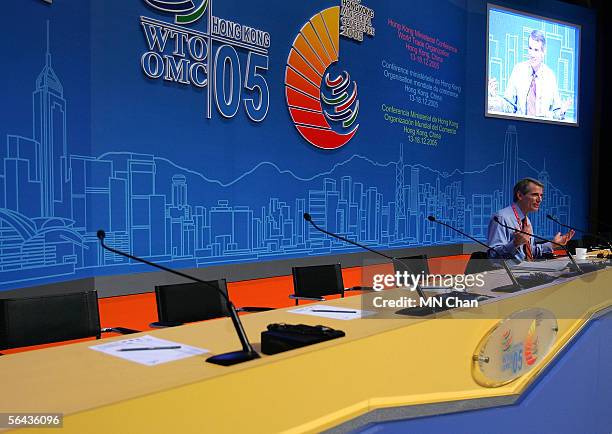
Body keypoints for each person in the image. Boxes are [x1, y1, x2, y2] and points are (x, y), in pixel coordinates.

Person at [488, 30, 573, 120]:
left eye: (536, 50)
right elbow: (509, 106)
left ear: (543, 52)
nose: (532, 54)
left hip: (543, 130)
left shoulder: (550, 77)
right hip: (520, 128)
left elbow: (556, 112)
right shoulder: (518, 70)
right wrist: (494, 98)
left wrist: (562, 111)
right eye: (530, 48)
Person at [487, 178, 574, 262]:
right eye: (535, 194)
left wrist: (553, 244)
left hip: (526, 270)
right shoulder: (501, 218)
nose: (540, 199)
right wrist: (515, 244)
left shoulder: (526, 221)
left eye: (541, 195)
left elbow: (529, 252)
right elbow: (493, 256)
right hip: (506, 274)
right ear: (520, 195)